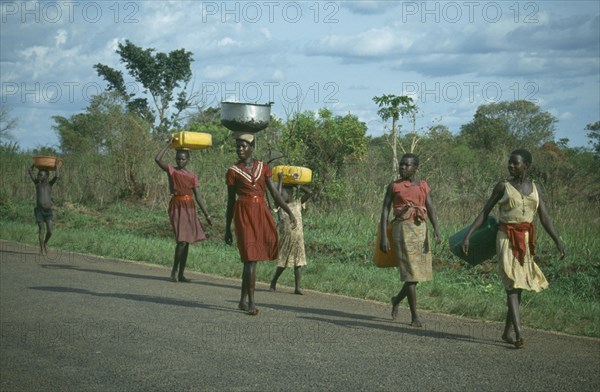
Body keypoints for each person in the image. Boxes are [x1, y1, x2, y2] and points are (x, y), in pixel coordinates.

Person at [461, 149, 565, 349]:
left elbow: (544, 217)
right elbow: (485, 211)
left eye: (515, 163)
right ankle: (519, 334)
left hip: (524, 240)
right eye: (510, 163)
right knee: (511, 283)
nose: (511, 166)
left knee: (519, 285)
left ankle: (507, 332)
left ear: (526, 165)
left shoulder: (535, 188)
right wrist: (468, 236)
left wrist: (557, 240)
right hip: (506, 238)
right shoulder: (503, 187)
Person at [225, 133, 297, 315]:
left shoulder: (263, 168)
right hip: (243, 214)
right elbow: (230, 201)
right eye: (237, 146)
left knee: (251, 260)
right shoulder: (233, 171)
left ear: (252, 147)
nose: (240, 149)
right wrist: (227, 228)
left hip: (261, 213)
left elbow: (274, 194)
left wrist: (288, 211)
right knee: (250, 259)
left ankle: (242, 301)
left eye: (243, 146)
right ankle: (251, 303)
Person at [379, 153, 441, 327]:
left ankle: (396, 299)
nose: (403, 168)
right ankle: (415, 317)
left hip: (421, 230)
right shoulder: (394, 186)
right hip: (402, 230)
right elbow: (385, 210)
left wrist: (436, 229)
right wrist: (384, 236)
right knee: (411, 274)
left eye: (407, 165)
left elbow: (430, 207)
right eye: (401, 165)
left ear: (416, 167)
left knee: (416, 275)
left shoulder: (423, 185)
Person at [155, 138, 212, 283]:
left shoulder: (192, 176)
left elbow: (198, 196)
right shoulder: (172, 170)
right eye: (178, 158)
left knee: (187, 241)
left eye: (183, 159)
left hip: (190, 207)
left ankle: (181, 273)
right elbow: (157, 159)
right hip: (177, 206)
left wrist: (207, 214)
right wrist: (168, 144)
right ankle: (174, 270)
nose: (180, 161)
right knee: (181, 240)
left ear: (188, 160)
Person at [269, 172, 313, 295]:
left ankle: (297, 287)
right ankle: (273, 281)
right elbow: (276, 195)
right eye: (281, 194)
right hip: (286, 239)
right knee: (283, 262)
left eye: (284, 194)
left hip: (298, 239)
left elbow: (310, 193)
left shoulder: (297, 203)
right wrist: (281, 180)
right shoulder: (280, 206)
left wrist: (298, 185)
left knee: (298, 263)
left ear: (289, 194)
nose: (281, 196)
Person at [28, 162, 62, 255]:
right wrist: (34, 164)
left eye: (41, 175)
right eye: (38, 174)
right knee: (41, 230)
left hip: (48, 211)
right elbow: (30, 171)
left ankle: (45, 243)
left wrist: (57, 168)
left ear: (46, 177)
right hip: (39, 211)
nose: (39, 176)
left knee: (50, 231)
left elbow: (57, 177)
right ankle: (41, 248)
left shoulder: (49, 185)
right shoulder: (37, 184)